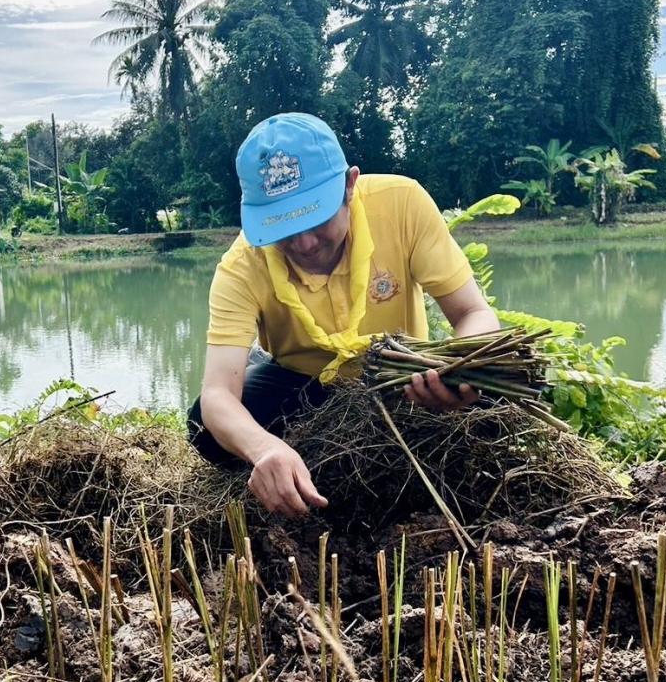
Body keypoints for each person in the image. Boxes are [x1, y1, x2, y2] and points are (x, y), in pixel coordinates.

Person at [189, 113, 499, 517]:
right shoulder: (241, 265)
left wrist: (454, 368)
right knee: (203, 426)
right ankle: (292, 467)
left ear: (350, 185)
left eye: (316, 217)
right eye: (282, 226)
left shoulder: (402, 203)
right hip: (303, 388)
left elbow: (474, 313)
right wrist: (264, 447)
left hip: (404, 377)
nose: (304, 243)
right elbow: (217, 395)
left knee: (493, 389)